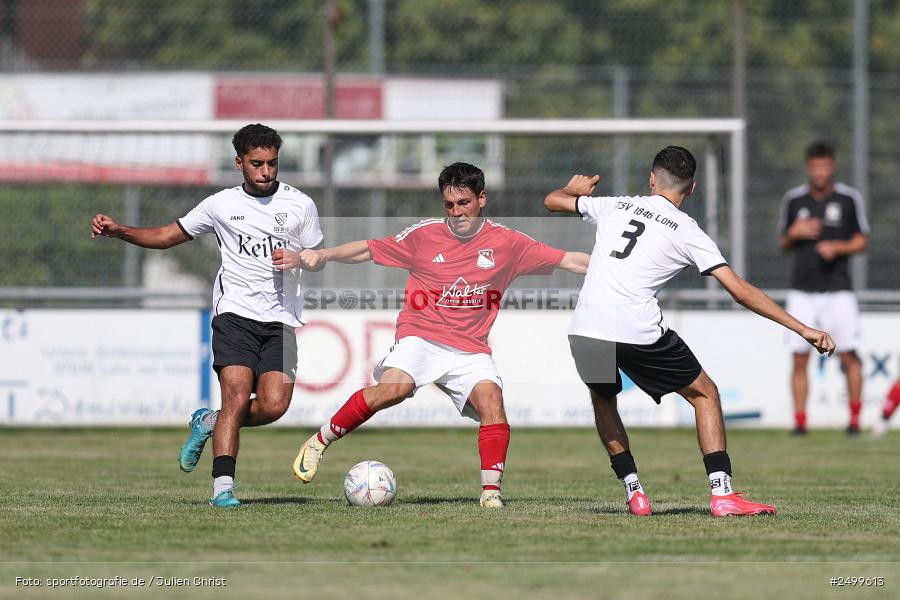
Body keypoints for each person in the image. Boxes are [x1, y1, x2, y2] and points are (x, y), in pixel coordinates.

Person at [544, 146, 835, 517]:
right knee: (705, 394)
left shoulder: (616, 204)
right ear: (693, 188)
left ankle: (635, 493)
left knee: (603, 400)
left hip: (585, 327)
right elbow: (739, 290)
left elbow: (552, 201)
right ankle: (723, 494)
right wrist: (802, 328)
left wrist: (575, 190)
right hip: (635, 327)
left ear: (651, 179)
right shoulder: (686, 230)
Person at [291, 162, 590, 507]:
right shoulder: (424, 235)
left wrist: (618, 270)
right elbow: (369, 249)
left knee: (493, 401)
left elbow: (570, 260)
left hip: (471, 348)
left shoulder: (508, 243)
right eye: (449, 205)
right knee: (394, 390)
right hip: (421, 335)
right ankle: (318, 442)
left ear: (482, 199)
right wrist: (323, 254)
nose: (456, 212)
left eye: (463, 203)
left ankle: (491, 495)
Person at [91, 123, 323, 507]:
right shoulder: (220, 205)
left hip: (281, 320)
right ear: (239, 163)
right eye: (257, 163)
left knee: (273, 406)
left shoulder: (301, 205)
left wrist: (302, 258)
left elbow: (317, 258)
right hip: (234, 315)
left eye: (273, 163)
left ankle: (207, 422)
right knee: (235, 395)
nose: (267, 172)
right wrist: (120, 231)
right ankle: (223, 490)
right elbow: (168, 236)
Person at [778, 141, 869, 435]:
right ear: (809, 167)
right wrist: (794, 233)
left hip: (838, 289)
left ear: (832, 167)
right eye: (815, 167)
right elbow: (783, 243)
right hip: (802, 290)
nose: (820, 172)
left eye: (825, 166)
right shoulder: (794, 200)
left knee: (849, 355)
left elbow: (862, 239)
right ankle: (800, 422)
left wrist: (839, 247)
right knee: (799, 356)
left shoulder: (847, 199)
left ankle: (854, 420)